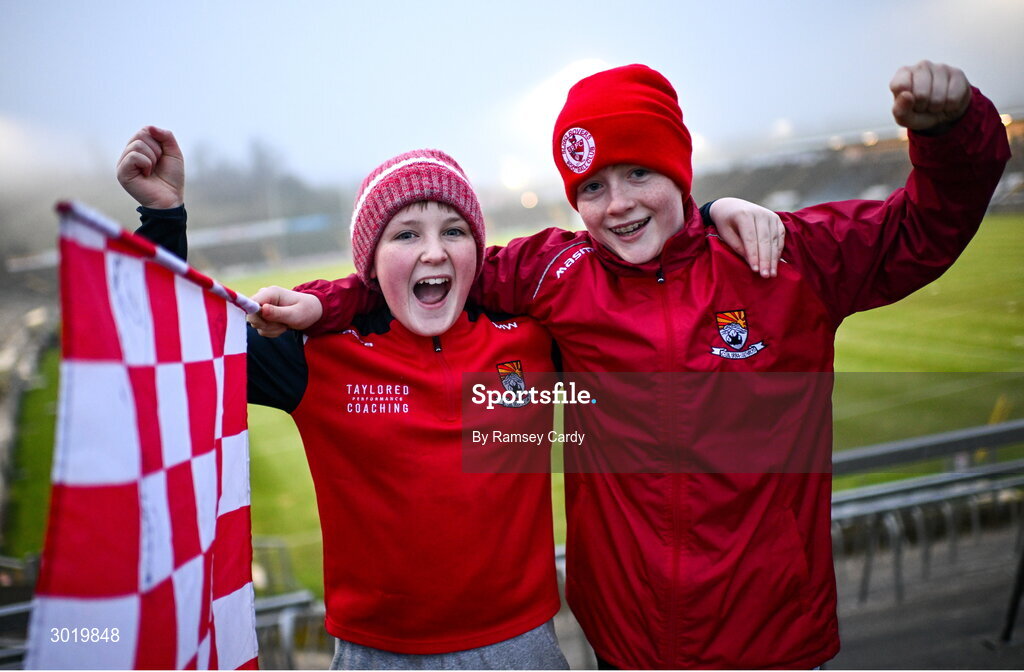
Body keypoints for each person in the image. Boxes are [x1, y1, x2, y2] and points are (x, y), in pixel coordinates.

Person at [270, 60, 1011, 668]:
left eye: (637, 175)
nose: (616, 205)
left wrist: (948, 134)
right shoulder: (555, 272)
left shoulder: (784, 257)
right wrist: (328, 302)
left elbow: (926, 225)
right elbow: (429, 269)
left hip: (776, 642)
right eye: (591, 188)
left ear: (678, 172)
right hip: (624, 648)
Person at [118, 136, 570, 669]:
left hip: (524, 647)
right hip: (377, 656)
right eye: (406, 234)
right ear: (371, 266)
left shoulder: (531, 338)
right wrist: (164, 218)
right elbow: (171, 352)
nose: (434, 251)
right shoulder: (319, 355)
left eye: (454, 231)